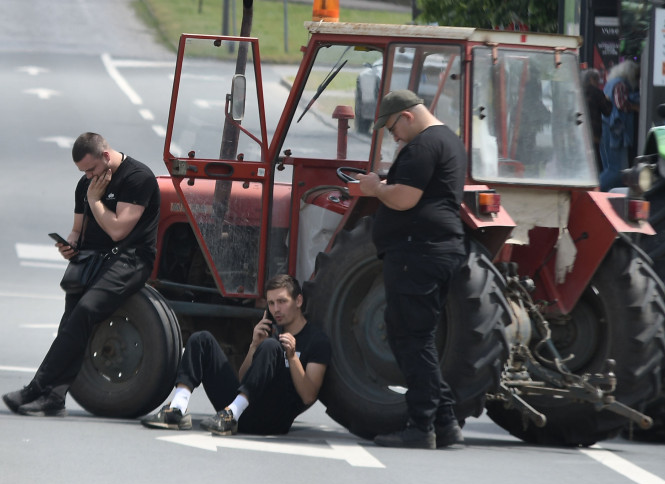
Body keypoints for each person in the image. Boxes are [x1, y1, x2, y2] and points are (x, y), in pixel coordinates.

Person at [3, 132, 161, 417]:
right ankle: (54, 396)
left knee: (86, 311)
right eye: (83, 172)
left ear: (105, 156)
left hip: (130, 260)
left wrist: (95, 200)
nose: (88, 176)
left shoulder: (138, 178)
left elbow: (117, 230)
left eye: (91, 170)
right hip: (91, 260)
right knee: (70, 325)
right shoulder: (86, 184)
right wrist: (70, 244)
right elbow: (78, 229)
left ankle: (35, 387)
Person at [356, 90, 467, 450]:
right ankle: (445, 421)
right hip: (433, 251)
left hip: (416, 254)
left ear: (406, 116)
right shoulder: (449, 140)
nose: (393, 137)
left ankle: (421, 427)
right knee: (417, 339)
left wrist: (375, 188)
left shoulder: (422, 146)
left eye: (392, 128)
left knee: (410, 340)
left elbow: (405, 198)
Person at [140, 275, 330, 436]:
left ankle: (232, 414)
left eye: (282, 302)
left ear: (298, 301)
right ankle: (178, 408)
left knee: (272, 346)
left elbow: (308, 395)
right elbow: (243, 379)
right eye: (271, 303)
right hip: (240, 410)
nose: (276, 309)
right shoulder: (271, 332)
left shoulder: (316, 341)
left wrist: (291, 357)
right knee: (201, 339)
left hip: (274, 419)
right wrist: (254, 346)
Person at [599, 59, 640, 189]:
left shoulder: (610, 83)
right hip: (616, 132)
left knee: (610, 167)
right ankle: (596, 189)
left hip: (607, 129)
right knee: (617, 170)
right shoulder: (620, 84)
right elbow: (621, 104)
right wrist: (637, 107)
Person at [582, 68, 612, 170]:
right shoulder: (597, 93)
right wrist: (608, 100)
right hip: (594, 133)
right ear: (591, 79)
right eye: (597, 80)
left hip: (580, 133)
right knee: (596, 162)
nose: (599, 83)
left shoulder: (579, 90)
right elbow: (607, 112)